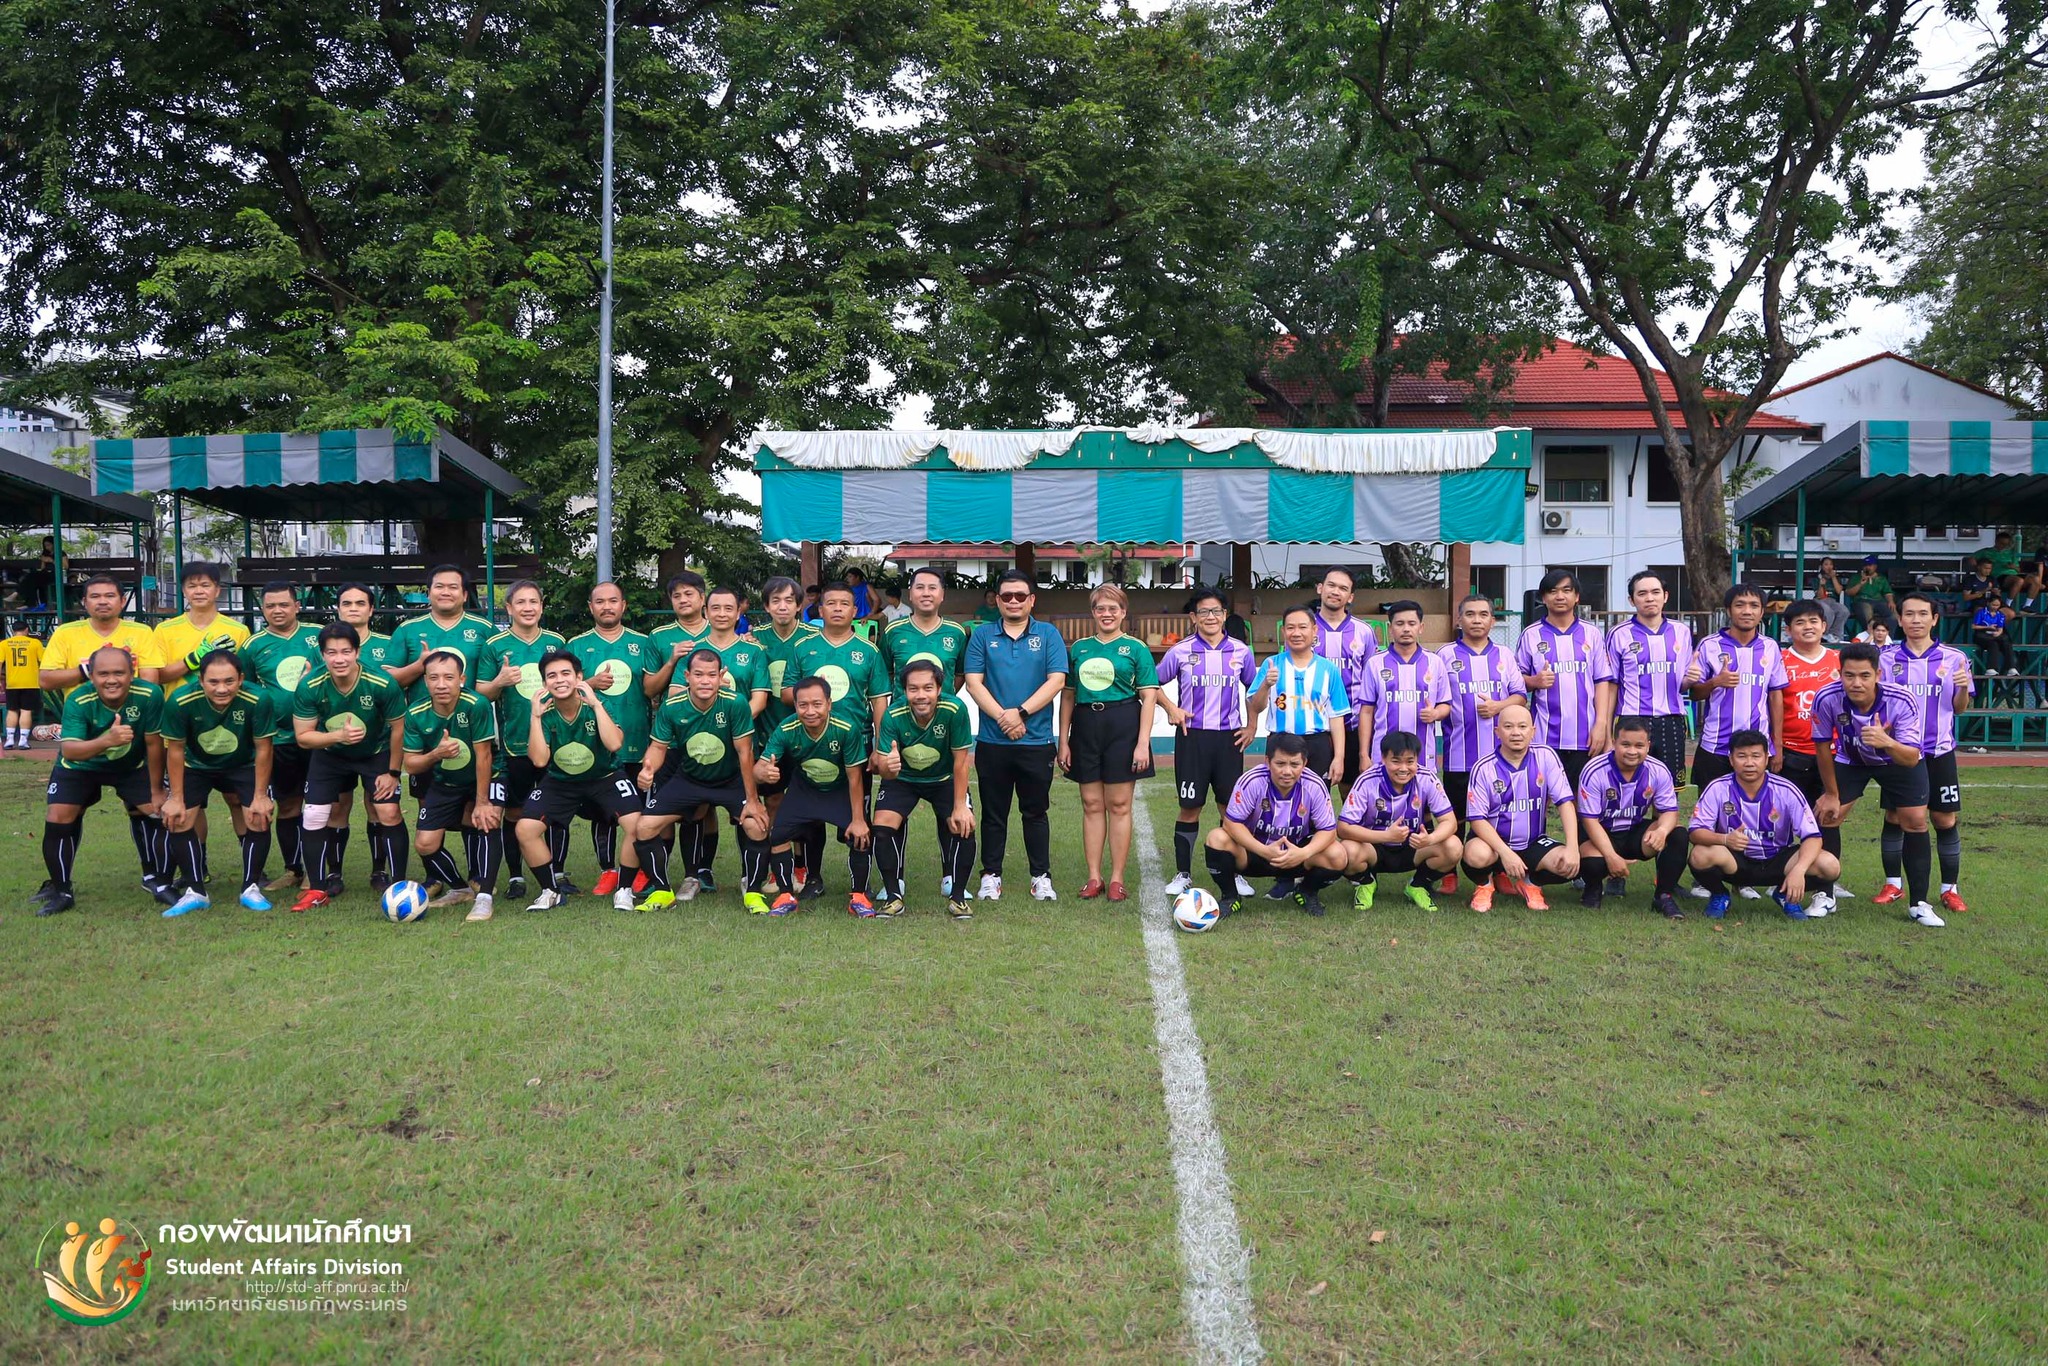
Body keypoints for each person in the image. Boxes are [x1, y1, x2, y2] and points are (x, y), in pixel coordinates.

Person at [32, 646, 167, 916]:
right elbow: (70, 749)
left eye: (119, 672)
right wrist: (107, 740)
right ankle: (61, 889)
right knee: (59, 815)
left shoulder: (150, 695)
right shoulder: (79, 700)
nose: (111, 679)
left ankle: (159, 881)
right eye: (103, 673)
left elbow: (154, 743)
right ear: (91, 676)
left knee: (161, 812)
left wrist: (157, 789)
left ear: (132, 674)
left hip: (130, 765)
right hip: (80, 766)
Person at [962, 570, 1068, 902]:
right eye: (1006, 596)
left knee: (1035, 812)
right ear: (996, 599)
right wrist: (1003, 718)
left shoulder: (1048, 634)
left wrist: (1019, 713)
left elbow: (1057, 681)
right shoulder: (981, 636)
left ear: (1031, 600)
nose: (1013, 601)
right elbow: (973, 681)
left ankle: (1041, 877)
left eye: (1020, 596)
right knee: (994, 813)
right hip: (993, 741)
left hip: (1036, 741)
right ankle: (991, 876)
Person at [632, 648, 765, 910]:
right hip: (690, 779)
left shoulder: (735, 703)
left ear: (721, 676)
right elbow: (658, 748)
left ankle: (753, 892)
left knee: (757, 826)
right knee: (644, 827)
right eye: (699, 674)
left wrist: (752, 800)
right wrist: (648, 768)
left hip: (729, 780)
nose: (705, 681)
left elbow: (744, 752)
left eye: (711, 675)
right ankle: (661, 891)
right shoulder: (672, 706)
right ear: (687, 676)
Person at [288, 622, 408, 912]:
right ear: (322, 654)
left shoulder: (381, 683)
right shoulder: (310, 686)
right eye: (331, 652)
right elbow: (303, 738)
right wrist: (338, 736)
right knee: (316, 814)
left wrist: (392, 773)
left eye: (345, 651)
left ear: (357, 652)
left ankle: (396, 883)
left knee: (387, 810)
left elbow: (398, 729)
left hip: (375, 753)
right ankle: (320, 885)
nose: (338, 659)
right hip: (330, 754)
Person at [1809, 643, 1932, 923]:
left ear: (1878, 674)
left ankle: (1920, 904)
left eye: (1864, 675)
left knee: (1914, 821)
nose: (1856, 683)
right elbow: (1822, 747)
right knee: (1829, 815)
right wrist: (1830, 793)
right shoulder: (1826, 697)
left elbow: (1912, 757)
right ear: (1839, 674)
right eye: (1849, 675)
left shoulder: (1902, 700)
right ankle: (1825, 896)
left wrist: (1886, 742)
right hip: (1851, 760)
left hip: (1896, 761)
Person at [1157, 588, 1262, 897]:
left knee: (1230, 809)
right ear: (1194, 617)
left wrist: (1252, 725)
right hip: (1193, 738)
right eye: (1204, 612)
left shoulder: (1241, 652)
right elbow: (1151, 683)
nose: (1211, 617)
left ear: (1224, 615)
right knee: (1190, 807)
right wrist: (1171, 708)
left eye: (1216, 611)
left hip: (1229, 739)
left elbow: (1254, 693)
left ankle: (1237, 872)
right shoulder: (1179, 651)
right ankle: (1183, 873)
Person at [1057, 584, 1159, 901]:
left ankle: (1116, 878)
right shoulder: (1079, 648)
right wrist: (1064, 740)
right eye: (1101, 608)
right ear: (1093, 612)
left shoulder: (1136, 648)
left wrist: (1143, 743)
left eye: (1113, 608)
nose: (1107, 614)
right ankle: (1093, 877)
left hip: (1123, 725)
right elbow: (1069, 695)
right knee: (1091, 804)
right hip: (1086, 727)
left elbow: (1149, 696)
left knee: (1118, 805)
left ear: (1123, 613)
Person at [157, 648, 275, 917]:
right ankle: (196, 892)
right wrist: (175, 797)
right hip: (195, 765)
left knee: (258, 815)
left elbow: (264, 747)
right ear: (200, 680)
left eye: (229, 681)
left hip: (243, 763)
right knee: (178, 817)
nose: (222, 689)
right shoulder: (180, 701)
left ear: (241, 678)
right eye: (213, 682)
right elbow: (174, 749)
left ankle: (251, 887)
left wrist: (260, 794)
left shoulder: (258, 699)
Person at [515, 650, 636, 912]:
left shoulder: (600, 702)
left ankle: (624, 889)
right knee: (525, 829)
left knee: (637, 825)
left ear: (579, 677)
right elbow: (538, 760)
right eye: (551, 676)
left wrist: (595, 704)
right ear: (544, 683)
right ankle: (550, 891)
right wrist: (535, 717)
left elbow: (614, 743)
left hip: (605, 777)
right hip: (561, 781)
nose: (559, 680)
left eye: (566, 673)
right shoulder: (543, 713)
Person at [1876, 593, 1974, 915]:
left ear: (1934, 619)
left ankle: (1950, 890)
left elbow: (1959, 709)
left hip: (1939, 751)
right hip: (1902, 752)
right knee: (1896, 817)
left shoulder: (1954, 658)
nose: (1916, 620)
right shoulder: (1887, 659)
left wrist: (1962, 687)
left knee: (1943, 819)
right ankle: (1893, 884)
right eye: (1909, 614)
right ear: (1900, 619)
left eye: (1922, 614)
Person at [475, 580, 567, 900]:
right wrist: (500, 681)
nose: (528, 608)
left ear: (542, 607)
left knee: (555, 810)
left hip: (553, 742)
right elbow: (480, 691)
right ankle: (516, 876)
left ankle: (557, 873)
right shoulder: (495, 645)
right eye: (521, 602)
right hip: (513, 744)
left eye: (534, 602)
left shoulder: (556, 642)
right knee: (514, 812)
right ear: (510, 608)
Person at [566, 581, 655, 905]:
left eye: (613, 601)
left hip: (638, 740)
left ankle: (641, 868)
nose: (607, 606)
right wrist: (588, 683)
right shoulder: (576, 645)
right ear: (590, 607)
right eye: (600, 601)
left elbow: (652, 688)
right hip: (595, 745)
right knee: (604, 811)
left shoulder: (643, 643)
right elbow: (561, 687)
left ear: (623, 605)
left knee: (640, 811)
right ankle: (608, 870)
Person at [1688, 728, 1839, 921]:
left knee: (1830, 865)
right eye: (1742, 756)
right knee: (1699, 854)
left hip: (1778, 860)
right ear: (1731, 759)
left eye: (1756, 756)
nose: (1749, 763)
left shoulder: (1786, 790)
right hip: (1736, 861)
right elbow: (1695, 832)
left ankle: (1785, 894)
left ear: (1766, 758)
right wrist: (1725, 839)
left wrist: (1799, 870)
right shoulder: (1717, 788)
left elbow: (1813, 837)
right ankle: (1720, 895)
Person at [754, 677, 874, 916]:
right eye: (803, 705)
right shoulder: (787, 728)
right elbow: (759, 767)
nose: (810, 711)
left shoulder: (846, 729)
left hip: (839, 789)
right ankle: (786, 895)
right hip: (805, 789)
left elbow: (855, 778)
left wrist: (859, 819)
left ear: (829, 704)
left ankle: (859, 897)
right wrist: (763, 772)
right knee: (777, 834)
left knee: (861, 835)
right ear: (795, 705)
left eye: (817, 704)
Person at [870, 660, 978, 920]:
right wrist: (889, 767)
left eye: (928, 688)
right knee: (882, 827)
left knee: (963, 823)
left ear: (939, 688)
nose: (921, 695)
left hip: (944, 778)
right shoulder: (893, 715)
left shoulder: (955, 709)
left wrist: (960, 805)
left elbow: (961, 761)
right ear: (904, 691)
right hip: (904, 779)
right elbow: (884, 768)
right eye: (913, 689)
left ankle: (958, 897)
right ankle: (894, 896)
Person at [400, 650, 502, 920]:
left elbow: (484, 755)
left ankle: (483, 893)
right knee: (425, 844)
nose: (441, 684)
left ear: (462, 679)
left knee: (486, 819)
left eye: (448, 677)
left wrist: (482, 802)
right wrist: (436, 754)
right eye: (434, 678)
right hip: (444, 779)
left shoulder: (476, 704)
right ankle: (459, 888)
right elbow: (410, 764)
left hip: (486, 775)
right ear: (425, 680)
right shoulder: (415, 712)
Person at [1436, 595, 1528, 886]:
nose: (1477, 620)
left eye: (1484, 614)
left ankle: (1498, 870)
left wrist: (1498, 707)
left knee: (1497, 814)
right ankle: (1448, 873)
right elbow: (1438, 697)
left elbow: (1520, 696)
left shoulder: (1504, 655)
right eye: (1471, 614)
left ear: (1493, 620)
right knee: (1457, 816)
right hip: (1458, 754)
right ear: (1459, 619)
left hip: (1498, 758)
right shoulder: (1445, 655)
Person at [1203, 732, 1347, 919]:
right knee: (1216, 838)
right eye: (1280, 764)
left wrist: (1304, 853)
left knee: (1338, 854)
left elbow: (1328, 831)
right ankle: (1230, 897)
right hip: (1255, 851)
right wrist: (1263, 850)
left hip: (1297, 854)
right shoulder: (1253, 781)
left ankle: (1306, 892)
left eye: (1294, 764)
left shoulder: (1314, 785)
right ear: (1267, 761)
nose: (1287, 771)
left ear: (1304, 763)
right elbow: (1231, 823)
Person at [238, 584, 323, 892]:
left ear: (297, 606)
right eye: (270, 605)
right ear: (263, 609)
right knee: (287, 805)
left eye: (284, 604)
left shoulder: (317, 636)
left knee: (319, 806)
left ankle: (319, 871)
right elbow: (244, 689)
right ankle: (293, 869)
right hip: (279, 739)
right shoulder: (252, 646)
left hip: (316, 736)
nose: (277, 610)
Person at [1459, 701, 1579, 912]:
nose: (1516, 733)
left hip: (1532, 843)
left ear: (1533, 731)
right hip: (1493, 847)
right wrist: (1505, 853)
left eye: (1522, 727)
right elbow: (1477, 820)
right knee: (1475, 854)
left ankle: (1531, 884)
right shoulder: (1484, 767)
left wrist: (1572, 847)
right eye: (1508, 727)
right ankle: (1485, 885)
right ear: (1497, 732)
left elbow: (1565, 803)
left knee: (1570, 864)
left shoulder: (1546, 757)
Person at [1335, 729, 1462, 911]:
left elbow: (1449, 821)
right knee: (1347, 850)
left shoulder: (1426, 778)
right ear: (1384, 759)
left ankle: (1417, 885)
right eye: (1396, 761)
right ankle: (1366, 882)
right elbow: (1344, 828)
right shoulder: (1367, 780)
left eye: (1410, 762)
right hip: (1375, 847)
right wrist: (1387, 836)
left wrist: (1430, 839)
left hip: (1413, 845)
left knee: (1453, 846)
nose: (1403, 768)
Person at [1515, 569, 1615, 789]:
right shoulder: (1531, 634)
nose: (1560, 596)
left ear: (1577, 596)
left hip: (1586, 735)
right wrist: (1535, 681)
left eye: (1566, 590)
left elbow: (1601, 681)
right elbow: (1516, 681)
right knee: (1539, 797)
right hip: (1544, 736)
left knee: (1585, 801)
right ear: (1543, 598)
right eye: (1553, 591)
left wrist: (1601, 724)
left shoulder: (1592, 634)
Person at [1574, 717, 1684, 917]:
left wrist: (1661, 830)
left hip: (1634, 831)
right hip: (1601, 832)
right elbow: (1589, 820)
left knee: (1677, 835)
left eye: (1639, 745)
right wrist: (1611, 856)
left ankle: (1663, 896)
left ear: (1648, 746)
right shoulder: (1594, 770)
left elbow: (1669, 811)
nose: (1632, 751)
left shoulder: (1658, 770)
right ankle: (1593, 888)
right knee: (1595, 862)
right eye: (1625, 744)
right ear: (1614, 743)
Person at [1776, 599, 1845, 909]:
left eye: (1813, 621)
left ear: (1824, 626)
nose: (1807, 627)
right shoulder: (1779, 659)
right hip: (1791, 751)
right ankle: (1784, 877)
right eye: (1800, 622)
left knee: (1828, 819)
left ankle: (1825, 888)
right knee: (1788, 820)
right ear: (1788, 629)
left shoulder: (1838, 660)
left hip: (1831, 753)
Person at [1687, 583, 1788, 793]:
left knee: (1754, 809)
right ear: (1728, 610)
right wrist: (1716, 682)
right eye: (1740, 605)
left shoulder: (1770, 647)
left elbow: (1776, 696)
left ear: (1762, 612)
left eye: (1754, 605)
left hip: (1757, 747)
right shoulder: (1709, 645)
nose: (1747, 611)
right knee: (1711, 811)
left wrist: (1777, 745)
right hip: (1716, 745)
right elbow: (1695, 694)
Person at [334, 582, 401, 886]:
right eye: (347, 603)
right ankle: (333, 872)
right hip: (335, 746)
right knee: (337, 805)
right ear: (338, 608)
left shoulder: (388, 643)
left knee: (378, 804)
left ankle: (379, 869)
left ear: (371, 610)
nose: (353, 609)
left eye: (360, 604)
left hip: (379, 743)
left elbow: (398, 685)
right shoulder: (323, 645)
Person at [1250, 604, 1351, 793]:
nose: (1296, 633)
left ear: (1314, 630)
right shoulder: (1271, 664)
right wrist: (1265, 685)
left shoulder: (1328, 669)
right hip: (1279, 741)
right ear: (1283, 631)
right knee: (1276, 800)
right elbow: (1256, 707)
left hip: (1317, 743)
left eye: (1302, 627)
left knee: (1316, 801)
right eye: (1290, 627)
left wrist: (1338, 757)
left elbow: (1336, 717)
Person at [1605, 570, 1694, 783]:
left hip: (1671, 720)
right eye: (1642, 593)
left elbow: (1682, 684)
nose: (1649, 598)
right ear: (1632, 600)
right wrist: (1608, 732)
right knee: (1626, 785)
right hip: (1631, 717)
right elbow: (1611, 686)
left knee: (1668, 789)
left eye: (1655, 592)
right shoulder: (1619, 634)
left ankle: (1663, 818)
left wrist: (1690, 680)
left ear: (1665, 596)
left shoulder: (1681, 631)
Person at [1301, 567, 1378, 781]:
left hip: (1353, 723)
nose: (1336, 592)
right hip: (1314, 725)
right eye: (1331, 585)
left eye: (1343, 588)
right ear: (1320, 588)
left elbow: (1372, 679)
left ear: (1350, 597)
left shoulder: (1364, 631)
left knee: (1352, 790)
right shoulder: (1304, 628)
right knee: (1311, 790)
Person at [1353, 599, 1451, 766]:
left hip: (1423, 753)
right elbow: (1366, 711)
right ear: (1391, 628)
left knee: (1421, 793)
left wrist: (1435, 714)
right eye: (1400, 623)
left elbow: (1445, 705)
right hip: (1382, 754)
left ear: (1421, 627)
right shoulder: (1375, 663)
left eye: (1411, 623)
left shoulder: (1435, 662)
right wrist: (1363, 754)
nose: (1406, 628)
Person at [387, 566, 494, 704]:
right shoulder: (407, 629)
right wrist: (419, 665)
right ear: (429, 593)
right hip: (422, 721)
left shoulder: (485, 628)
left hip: (473, 720)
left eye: (453, 587)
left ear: (465, 595)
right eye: (439, 586)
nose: (445, 592)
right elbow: (386, 681)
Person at [40, 573, 162, 689]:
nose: (102, 602)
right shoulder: (65, 632)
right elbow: (45, 681)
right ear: (85, 602)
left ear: (123, 601)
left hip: (130, 709)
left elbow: (150, 682)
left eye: (110, 596)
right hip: (81, 710)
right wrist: (87, 669)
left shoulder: (141, 632)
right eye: (95, 596)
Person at [153, 561, 251, 688]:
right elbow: (156, 677)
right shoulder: (164, 630)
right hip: (178, 706)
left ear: (217, 590)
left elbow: (246, 677)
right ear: (183, 591)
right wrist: (192, 660)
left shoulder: (239, 631)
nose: (199, 591)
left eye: (205, 585)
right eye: (192, 586)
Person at [880, 568, 968, 696]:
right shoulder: (893, 630)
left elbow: (960, 674)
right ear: (910, 594)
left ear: (942, 594)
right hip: (902, 712)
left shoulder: (956, 632)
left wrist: (942, 697)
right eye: (920, 587)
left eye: (932, 588)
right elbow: (885, 673)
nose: (926, 593)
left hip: (944, 712)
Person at [645, 570, 711, 697]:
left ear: (702, 598)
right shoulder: (658, 636)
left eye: (688, 594)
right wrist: (671, 661)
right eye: (677, 596)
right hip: (673, 714)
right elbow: (649, 690)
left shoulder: (718, 631)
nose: (683, 600)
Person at [4, 618, 44, 748]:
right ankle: (23, 740)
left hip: (12, 683)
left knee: (12, 710)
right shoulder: (35, 643)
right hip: (30, 682)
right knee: (26, 711)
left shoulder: (4, 644)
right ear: (27, 630)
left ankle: (9, 740)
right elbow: (43, 662)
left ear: (13, 631)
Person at [1973, 594, 2017, 675]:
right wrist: (1988, 627)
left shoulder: (2000, 615)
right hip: (1982, 634)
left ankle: (2011, 668)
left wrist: (1998, 633)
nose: (1995, 607)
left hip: (1995, 635)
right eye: (1993, 605)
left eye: (1997, 605)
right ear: (1988, 603)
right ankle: (1991, 668)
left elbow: (2000, 628)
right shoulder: (1981, 613)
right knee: (1993, 643)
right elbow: (1974, 626)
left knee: (2006, 643)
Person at [1848, 555, 1895, 631]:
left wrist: (1891, 601)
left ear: (1875, 566)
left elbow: (1888, 592)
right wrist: (1861, 583)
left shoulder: (1881, 578)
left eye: (1870, 565)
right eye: (1865, 565)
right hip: (1861, 601)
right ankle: (1871, 638)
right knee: (1868, 615)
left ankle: (1887, 638)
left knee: (1893, 615)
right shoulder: (1856, 577)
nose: (1867, 567)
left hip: (1878, 602)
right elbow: (1849, 593)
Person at [1812, 557, 1852, 639]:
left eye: (1831, 564)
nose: (1829, 567)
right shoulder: (1817, 578)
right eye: (1826, 564)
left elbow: (1838, 591)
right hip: (1820, 601)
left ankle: (1835, 635)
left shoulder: (1836, 579)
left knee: (1844, 611)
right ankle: (1824, 634)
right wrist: (1822, 584)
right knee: (1828, 611)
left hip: (1832, 601)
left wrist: (1833, 577)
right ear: (1822, 566)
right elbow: (1820, 596)